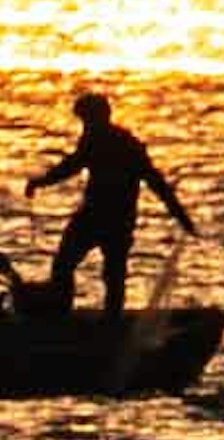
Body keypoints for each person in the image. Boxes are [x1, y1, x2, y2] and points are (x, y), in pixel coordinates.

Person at [24, 90, 194, 317]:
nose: (84, 126)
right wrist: (41, 182)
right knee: (75, 266)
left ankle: (98, 320)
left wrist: (181, 216)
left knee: (95, 270)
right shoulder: (100, 138)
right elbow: (73, 164)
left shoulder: (119, 143)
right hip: (103, 217)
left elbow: (155, 182)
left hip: (108, 218)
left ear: (98, 117)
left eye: (85, 119)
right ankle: (68, 314)